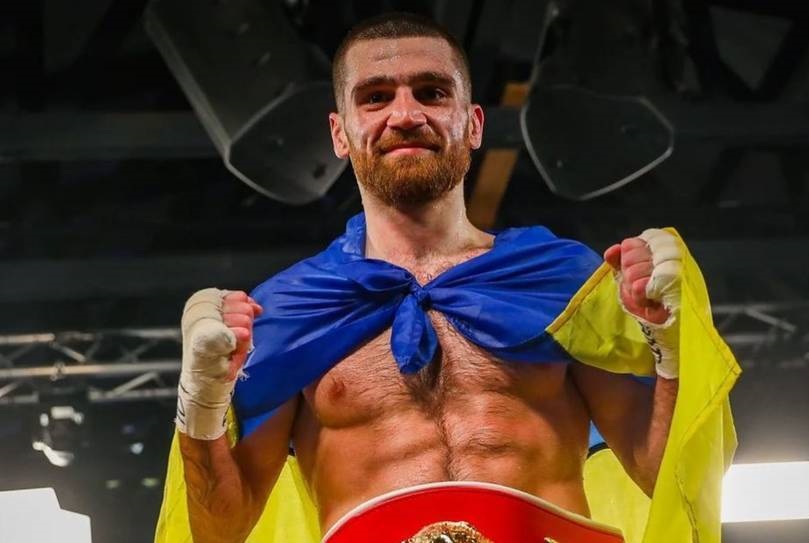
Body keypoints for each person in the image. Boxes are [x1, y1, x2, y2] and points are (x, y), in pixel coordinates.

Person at [159, 12, 739, 543]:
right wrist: (201, 401)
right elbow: (221, 529)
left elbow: (663, 473)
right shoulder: (288, 310)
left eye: (432, 92)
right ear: (339, 133)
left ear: (473, 123)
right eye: (375, 97)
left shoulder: (564, 284)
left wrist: (671, 345)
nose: (405, 115)